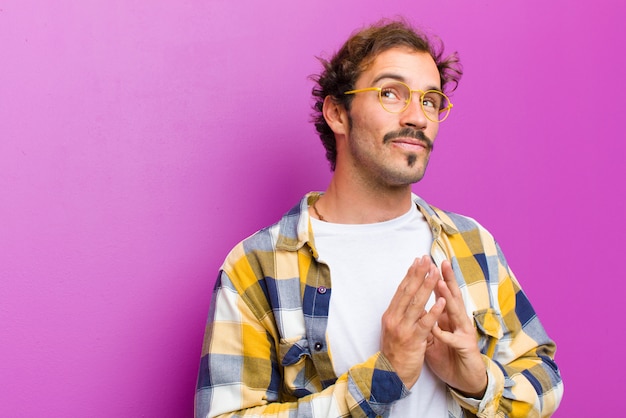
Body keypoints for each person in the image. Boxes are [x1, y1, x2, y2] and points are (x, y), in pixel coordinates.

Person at [195, 18, 563, 417]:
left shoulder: (473, 243)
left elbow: (544, 376)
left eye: (429, 100)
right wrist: (381, 378)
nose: (418, 117)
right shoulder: (256, 266)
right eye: (391, 93)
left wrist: (477, 382)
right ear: (337, 113)